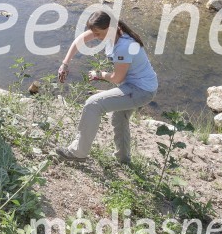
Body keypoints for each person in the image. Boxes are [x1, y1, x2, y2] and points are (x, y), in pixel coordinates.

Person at [56, 10, 158, 164]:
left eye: (98, 33)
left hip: (140, 91)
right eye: (94, 33)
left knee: (93, 104)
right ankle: (123, 159)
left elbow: (117, 78)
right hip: (140, 86)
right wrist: (65, 63)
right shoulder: (114, 32)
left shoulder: (124, 46)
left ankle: (78, 152)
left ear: (110, 27)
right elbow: (80, 39)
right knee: (119, 118)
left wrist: (99, 74)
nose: (96, 37)